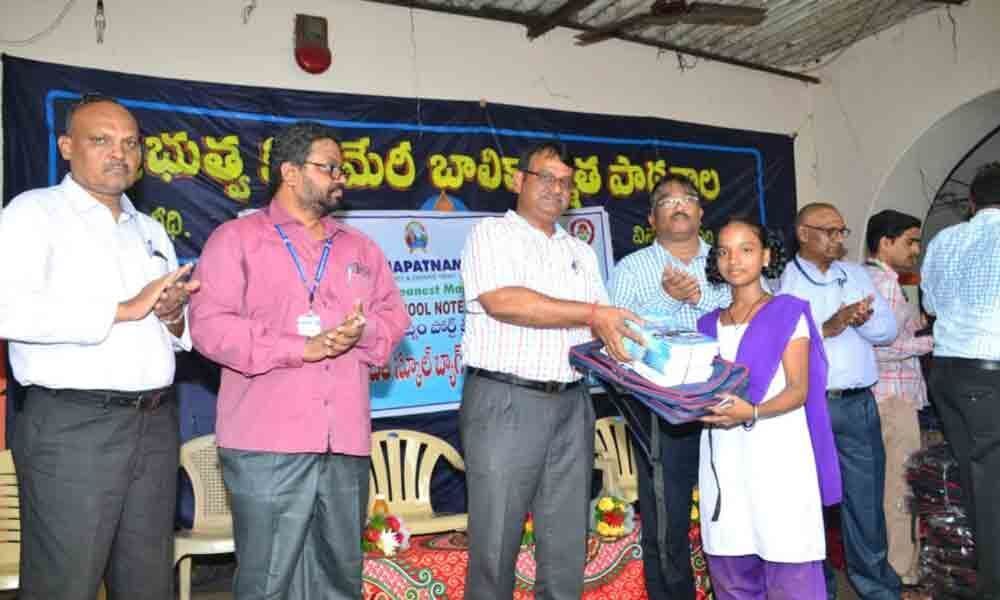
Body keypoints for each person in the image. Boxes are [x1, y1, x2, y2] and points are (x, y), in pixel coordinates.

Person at [189, 121, 409, 600]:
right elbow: (208, 326)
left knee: (338, 580)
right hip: (267, 443)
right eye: (329, 167)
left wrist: (361, 331)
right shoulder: (236, 239)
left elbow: (394, 320)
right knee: (268, 581)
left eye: (342, 169)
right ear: (290, 172)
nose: (340, 177)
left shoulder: (360, 248)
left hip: (344, 443)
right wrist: (297, 347)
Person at [0, 94, 197, 600]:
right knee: (65, 582)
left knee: (149, 580)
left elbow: (170, 332)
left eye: (131, 143)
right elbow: (8, 310)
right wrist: (122, 308)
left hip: (153, 423)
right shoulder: (32, 213)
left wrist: (172, 317)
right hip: (73, 428)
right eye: (101, 140)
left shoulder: (150, 229)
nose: (120, 153)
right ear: (66, 146)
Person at [459, 141, 641, 600]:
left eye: (565, 182)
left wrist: (650, 354)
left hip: (574, 402)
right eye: (546, 178)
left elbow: (600, 326)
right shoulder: (490, 234)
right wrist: (594, 313)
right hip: (506, 401)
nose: (557, 189)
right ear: (519, 180)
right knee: (494, 543)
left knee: (565, 543)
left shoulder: (578, 250)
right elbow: (505, 303)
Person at [695, 217, 841, 599]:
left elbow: (798, 390)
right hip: (724, 460)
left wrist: (753, 413)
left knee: (787, 557)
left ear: (765, 256)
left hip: (778, 453)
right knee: (732, 561)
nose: (734, 260)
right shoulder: (706, 326)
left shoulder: (786, 312)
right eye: (724, 251)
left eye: (746, 249)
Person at [608, 174, 730, 599]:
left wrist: (696, 297)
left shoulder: (729, 258)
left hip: (728, 404)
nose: (678, 205)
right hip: (660, 408)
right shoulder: (632, 268)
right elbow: (618, 340)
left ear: (700, 211)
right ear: (651, 217)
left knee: (734, 507)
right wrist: (665, 298)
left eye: (687, 199)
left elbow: (753, 317)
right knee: (667, 516)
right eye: (666, 201)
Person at [778, 202, 899, 599]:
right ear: (803, 233)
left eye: (841, 231)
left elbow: (887, 330)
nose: (837, 239)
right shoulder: (787, 282)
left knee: (865, 502)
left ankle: (876, 585)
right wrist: (833, 324)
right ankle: (821, 587)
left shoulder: (856, 274)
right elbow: (786, 342)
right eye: (828, 231)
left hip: (859, 403)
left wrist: (863, 320)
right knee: (812, 502)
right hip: (811, 407)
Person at [921, 161, 1000, 600]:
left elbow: (930, 306)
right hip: (990, 375)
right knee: (992, 492)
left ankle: (979, 576)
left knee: (977, 486)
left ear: (972, 202)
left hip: (948, 373)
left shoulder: (946, 239)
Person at [864, 209, 932, 586]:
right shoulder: (884, 283)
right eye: (910, 241)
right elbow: (883, 347)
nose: (916, 249)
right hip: (893, 398)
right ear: (885, 243)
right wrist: (932, 342)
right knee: (900, 487)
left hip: (889, 396)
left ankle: (897, 567)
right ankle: (903, 571)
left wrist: (916, 324)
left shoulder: (880, 279)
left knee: (893, 486)